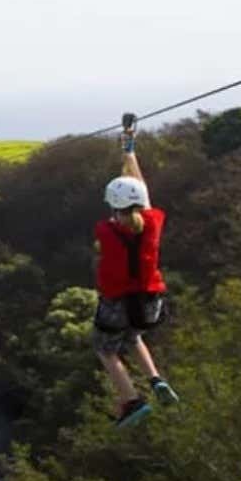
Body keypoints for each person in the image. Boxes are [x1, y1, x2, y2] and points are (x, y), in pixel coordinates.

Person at [93, 120, 181, 428]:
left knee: (106, 350)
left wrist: (126, 152)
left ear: (113, 206)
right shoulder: (153, 224)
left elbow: (130, 204)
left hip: (117, 302)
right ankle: (155, 379)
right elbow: (141, 192)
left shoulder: (106, 231)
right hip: (149, 301)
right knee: (133, 336)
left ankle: (131, 400)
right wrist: (130, 152)